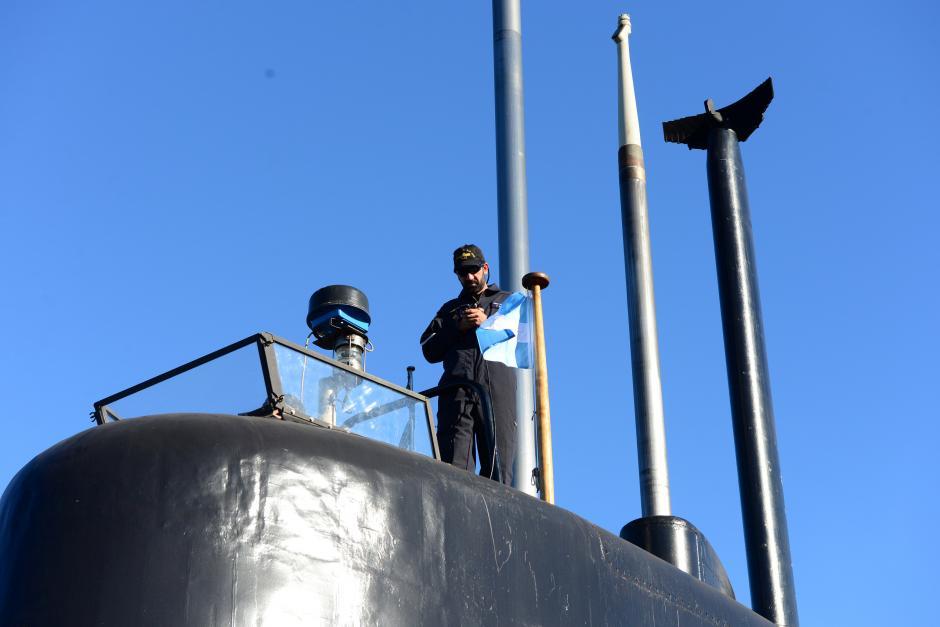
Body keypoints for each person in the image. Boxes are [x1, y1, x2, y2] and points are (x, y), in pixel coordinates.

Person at [420, 244, 516, 485]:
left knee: (498, 469)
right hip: (456, 392)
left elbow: (524, 339)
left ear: (485, 268)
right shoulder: (450, 309)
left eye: (474, 270)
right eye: (463, 273)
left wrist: (487, 322)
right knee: (453, 469)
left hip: (497, 394)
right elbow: (428, 349)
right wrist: (455, 327)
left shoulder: (509, 302)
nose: (470, 277)